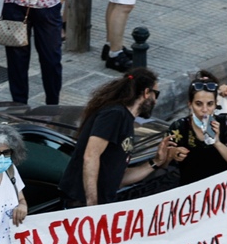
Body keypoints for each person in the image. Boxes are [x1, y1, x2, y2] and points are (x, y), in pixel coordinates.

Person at [59, 70, 172, 208]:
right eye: (156, 94)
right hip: (81, 205)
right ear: (146, 93)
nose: (156, 101)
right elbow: (90, 155)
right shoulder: (114, 114)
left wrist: (156, 162)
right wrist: (92, 205)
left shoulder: (126, 120)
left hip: (101, 205)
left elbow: (119, 178)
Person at [165, 77, 227, 187]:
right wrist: (172, 154)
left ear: (215, 104)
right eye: (198, 104)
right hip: (191, 191)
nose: (204, 110)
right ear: (190, 104)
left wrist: (217, 142)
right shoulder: (179, 127)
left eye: (209, 104)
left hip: (220, 188)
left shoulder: (224, 123)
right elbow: (161, 164)